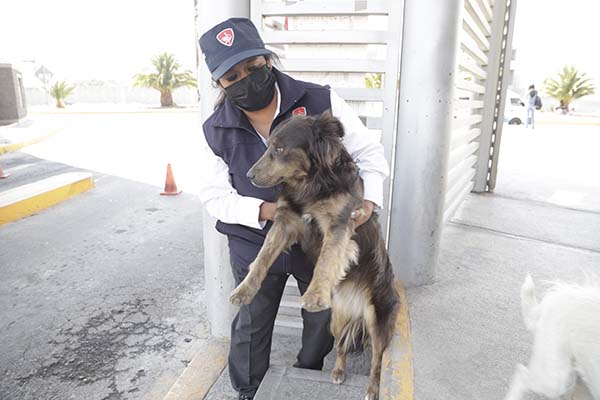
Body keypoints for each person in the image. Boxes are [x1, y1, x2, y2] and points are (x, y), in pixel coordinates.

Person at [198, 18, 389, 400]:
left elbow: (370, 154)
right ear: (219, 83)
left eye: (253, 67)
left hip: (318, 244)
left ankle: (305, 380)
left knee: (320, 321)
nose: (246, 79)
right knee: (251, 325)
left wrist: (368, 201)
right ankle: (248, 392)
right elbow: (212, 195)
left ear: (269, 61)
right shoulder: (215, 128)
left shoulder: (319, 100)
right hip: (255, 241)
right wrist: (270, 213)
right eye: (232, 75)